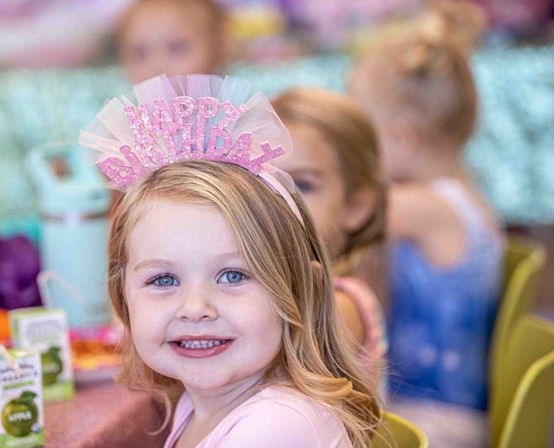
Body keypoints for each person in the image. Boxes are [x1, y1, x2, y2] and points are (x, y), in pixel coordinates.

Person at [79, 74, 380, 447]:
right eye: (163, 280)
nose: (195, 308)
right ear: (122, 298)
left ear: (301, 290)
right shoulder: (202, 403)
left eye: (232, 275)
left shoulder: (278, 426)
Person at [350, 2, 504, 415]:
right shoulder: (459, 195)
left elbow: (334, 221)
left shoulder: (423, 207)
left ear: (402, 138)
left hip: (437, 420)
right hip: (447, 408)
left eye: (362, 134)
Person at [272, 88, 387, 387]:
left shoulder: (343, 305)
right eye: (262, 181)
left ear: (356, 207)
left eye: (302, 184)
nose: (278, 201)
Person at [117, 0, 228, 84]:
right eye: (140, 53)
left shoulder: (239, 106)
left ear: (217, 47)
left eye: (176, 48)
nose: (157, 66)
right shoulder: (122, 111)